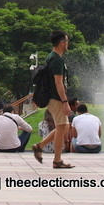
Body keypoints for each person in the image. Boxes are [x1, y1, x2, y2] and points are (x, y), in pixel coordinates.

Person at [31, 31, 75, 169]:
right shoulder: (56, 59)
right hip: (56, 98)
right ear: (62, 43)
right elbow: (58, 83)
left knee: (64, 126)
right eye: (67, 41)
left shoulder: (51, 57)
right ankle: (57, 160)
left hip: (52, 97)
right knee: (62, 127)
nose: (68, 44)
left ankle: (40, 146)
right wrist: (65, 101)